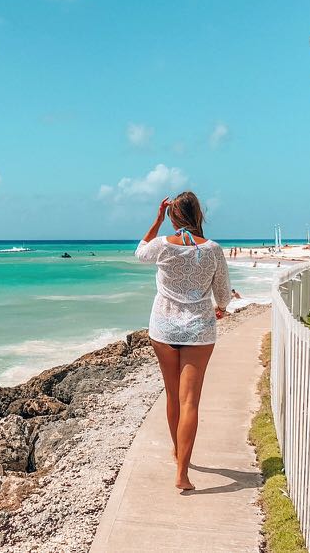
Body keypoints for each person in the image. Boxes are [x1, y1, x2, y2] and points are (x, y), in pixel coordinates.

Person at [135, 191, 232, 491]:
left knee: (173, 395)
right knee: (190, 400)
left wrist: (156, 220)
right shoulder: (213, 249)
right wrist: (222, 309)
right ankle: (182, 473)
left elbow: (140, 251)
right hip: (199, 330)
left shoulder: (163, 246)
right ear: (198, 215)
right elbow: (224, 292)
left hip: (163, 328)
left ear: (174, 217)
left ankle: (177, 451)